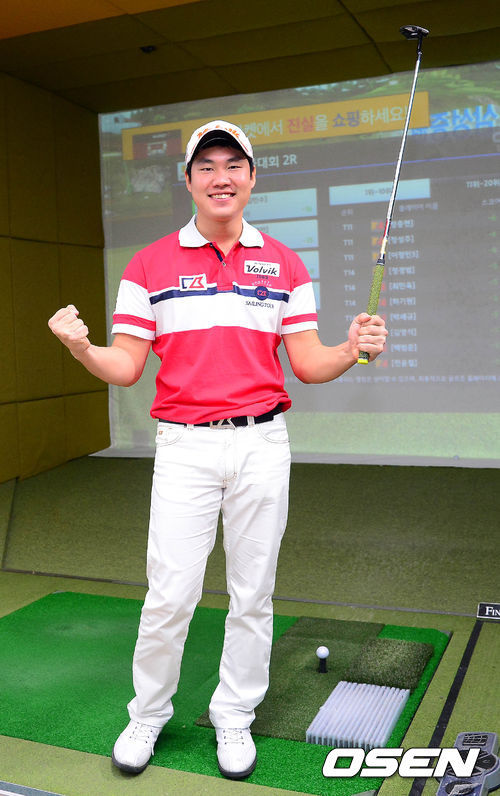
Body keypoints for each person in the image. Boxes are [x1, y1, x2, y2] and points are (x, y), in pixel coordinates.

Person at [48, 119, 387, 780]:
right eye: (206, 166)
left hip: (262, 444)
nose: (221, 177)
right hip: (185, 448)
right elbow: (126, 366)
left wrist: (351, 349)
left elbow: (309, 364)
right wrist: (82, 347)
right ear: (189, 180)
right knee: (168, 596)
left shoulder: (285, 263)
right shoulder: (149, 264)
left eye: (234, 165)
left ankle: (235, 716)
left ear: (252, 178)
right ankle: (148, 715)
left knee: (252, 594)